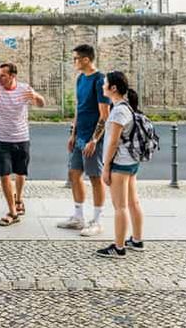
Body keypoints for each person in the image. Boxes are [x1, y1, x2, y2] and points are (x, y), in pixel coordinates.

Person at [0, 62, 46, 226]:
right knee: (4, 175)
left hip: (22, 138)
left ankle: (19, 199)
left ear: (12, 76)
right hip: (1, 139)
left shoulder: (24, 89)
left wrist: (36, 97)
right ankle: (12, 212)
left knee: (21, 173)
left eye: (3, 75)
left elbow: (42, 103)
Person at [57, 44, 110, 236]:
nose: (74, 62)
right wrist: (73, 133)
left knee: (95, 177)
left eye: (76, 59)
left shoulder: (99, 80)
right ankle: (78, 217)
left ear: (86, 59)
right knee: (74, 173)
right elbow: (80, 108)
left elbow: (104, 114)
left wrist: (94, 140)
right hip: (80, 136)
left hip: (93, 138)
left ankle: (96, 221)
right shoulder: (80, 79)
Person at [96, 71, 145, 259]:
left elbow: (113, 142)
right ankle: (137, 240)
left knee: (120, 207)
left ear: (113, 88)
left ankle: (118, 247)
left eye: (105, 83)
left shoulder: (118, 111)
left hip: (120, 163)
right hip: (131, 161)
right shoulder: (126, 107)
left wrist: (106, 167)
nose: (102, 86)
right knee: (133, 202)